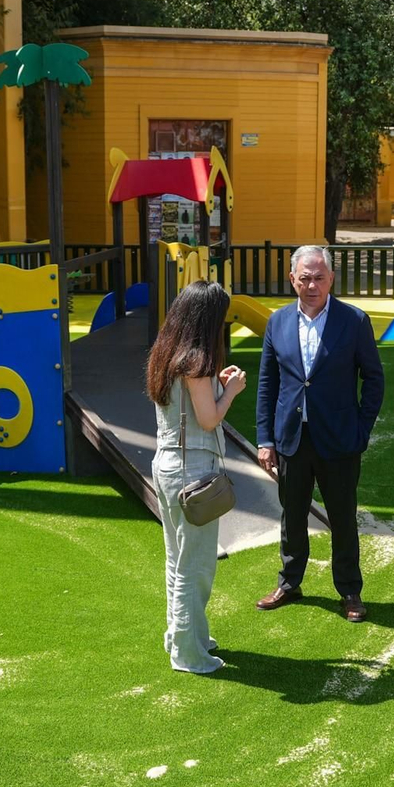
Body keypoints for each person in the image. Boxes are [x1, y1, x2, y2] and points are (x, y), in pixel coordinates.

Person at [255, 245, 385, 622]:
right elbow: (268, 384)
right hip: (291, 438)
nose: (312, 285)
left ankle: (349, 591)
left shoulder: (354, 320)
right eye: (305, 277)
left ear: (331, 279)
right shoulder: (277, 322)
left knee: (343, 517)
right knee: (291, 514)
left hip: (340, 439)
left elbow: (373, 379)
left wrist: (361, 429)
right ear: (292, 279)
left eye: (320, 277)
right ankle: (289, 582)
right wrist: (266, 439)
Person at [146, 281, 247, 674]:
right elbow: (209, 419)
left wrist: (218, 387)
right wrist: (233, 390)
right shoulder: (197, 359)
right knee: (197, 566)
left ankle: (183, 636)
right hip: (193, 471)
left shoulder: (165, 354)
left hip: (166, 464)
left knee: (178, 559)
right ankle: (189, 653)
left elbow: (190, 409)